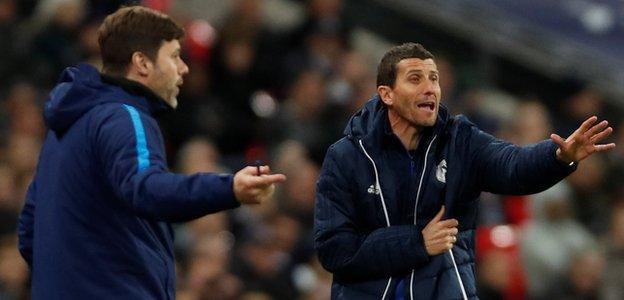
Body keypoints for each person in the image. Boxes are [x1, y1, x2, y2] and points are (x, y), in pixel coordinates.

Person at [17, 6, 286, 299]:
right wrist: (229, 188)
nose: (183, 68)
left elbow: (30, 228)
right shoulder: (124, 117)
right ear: (142, 63)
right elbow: (147, 189)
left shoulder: (64, 129)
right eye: (174, 56)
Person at [313, 42, 615, 299]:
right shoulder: (347, 157)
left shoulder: (460, 140)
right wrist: (416, 243)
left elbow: (513, 166)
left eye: (434, 79)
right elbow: (335, 251)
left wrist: (558, 157)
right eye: (415, 79)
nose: (429, 88)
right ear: (387, 93)